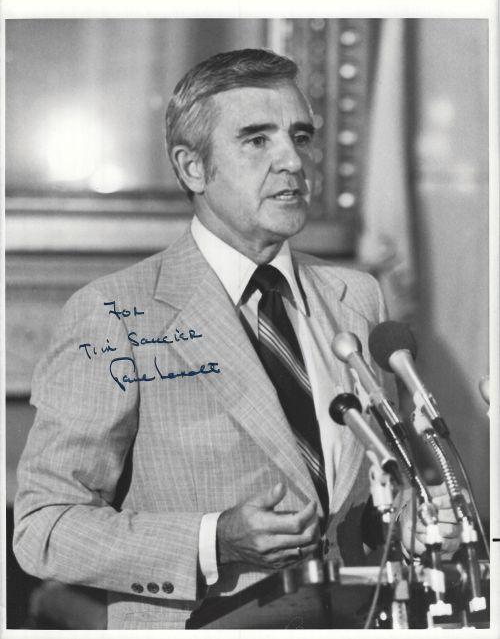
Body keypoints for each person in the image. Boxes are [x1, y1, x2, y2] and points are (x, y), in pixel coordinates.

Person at [13, 48, 460, 630]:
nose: (292, 161)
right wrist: (213, 539)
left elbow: (377, 493)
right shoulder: (113, 314)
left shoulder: (356, 297)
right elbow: (44, 528)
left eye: (300, 137)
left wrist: (408, 520)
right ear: (192, 168)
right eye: (257, 139)